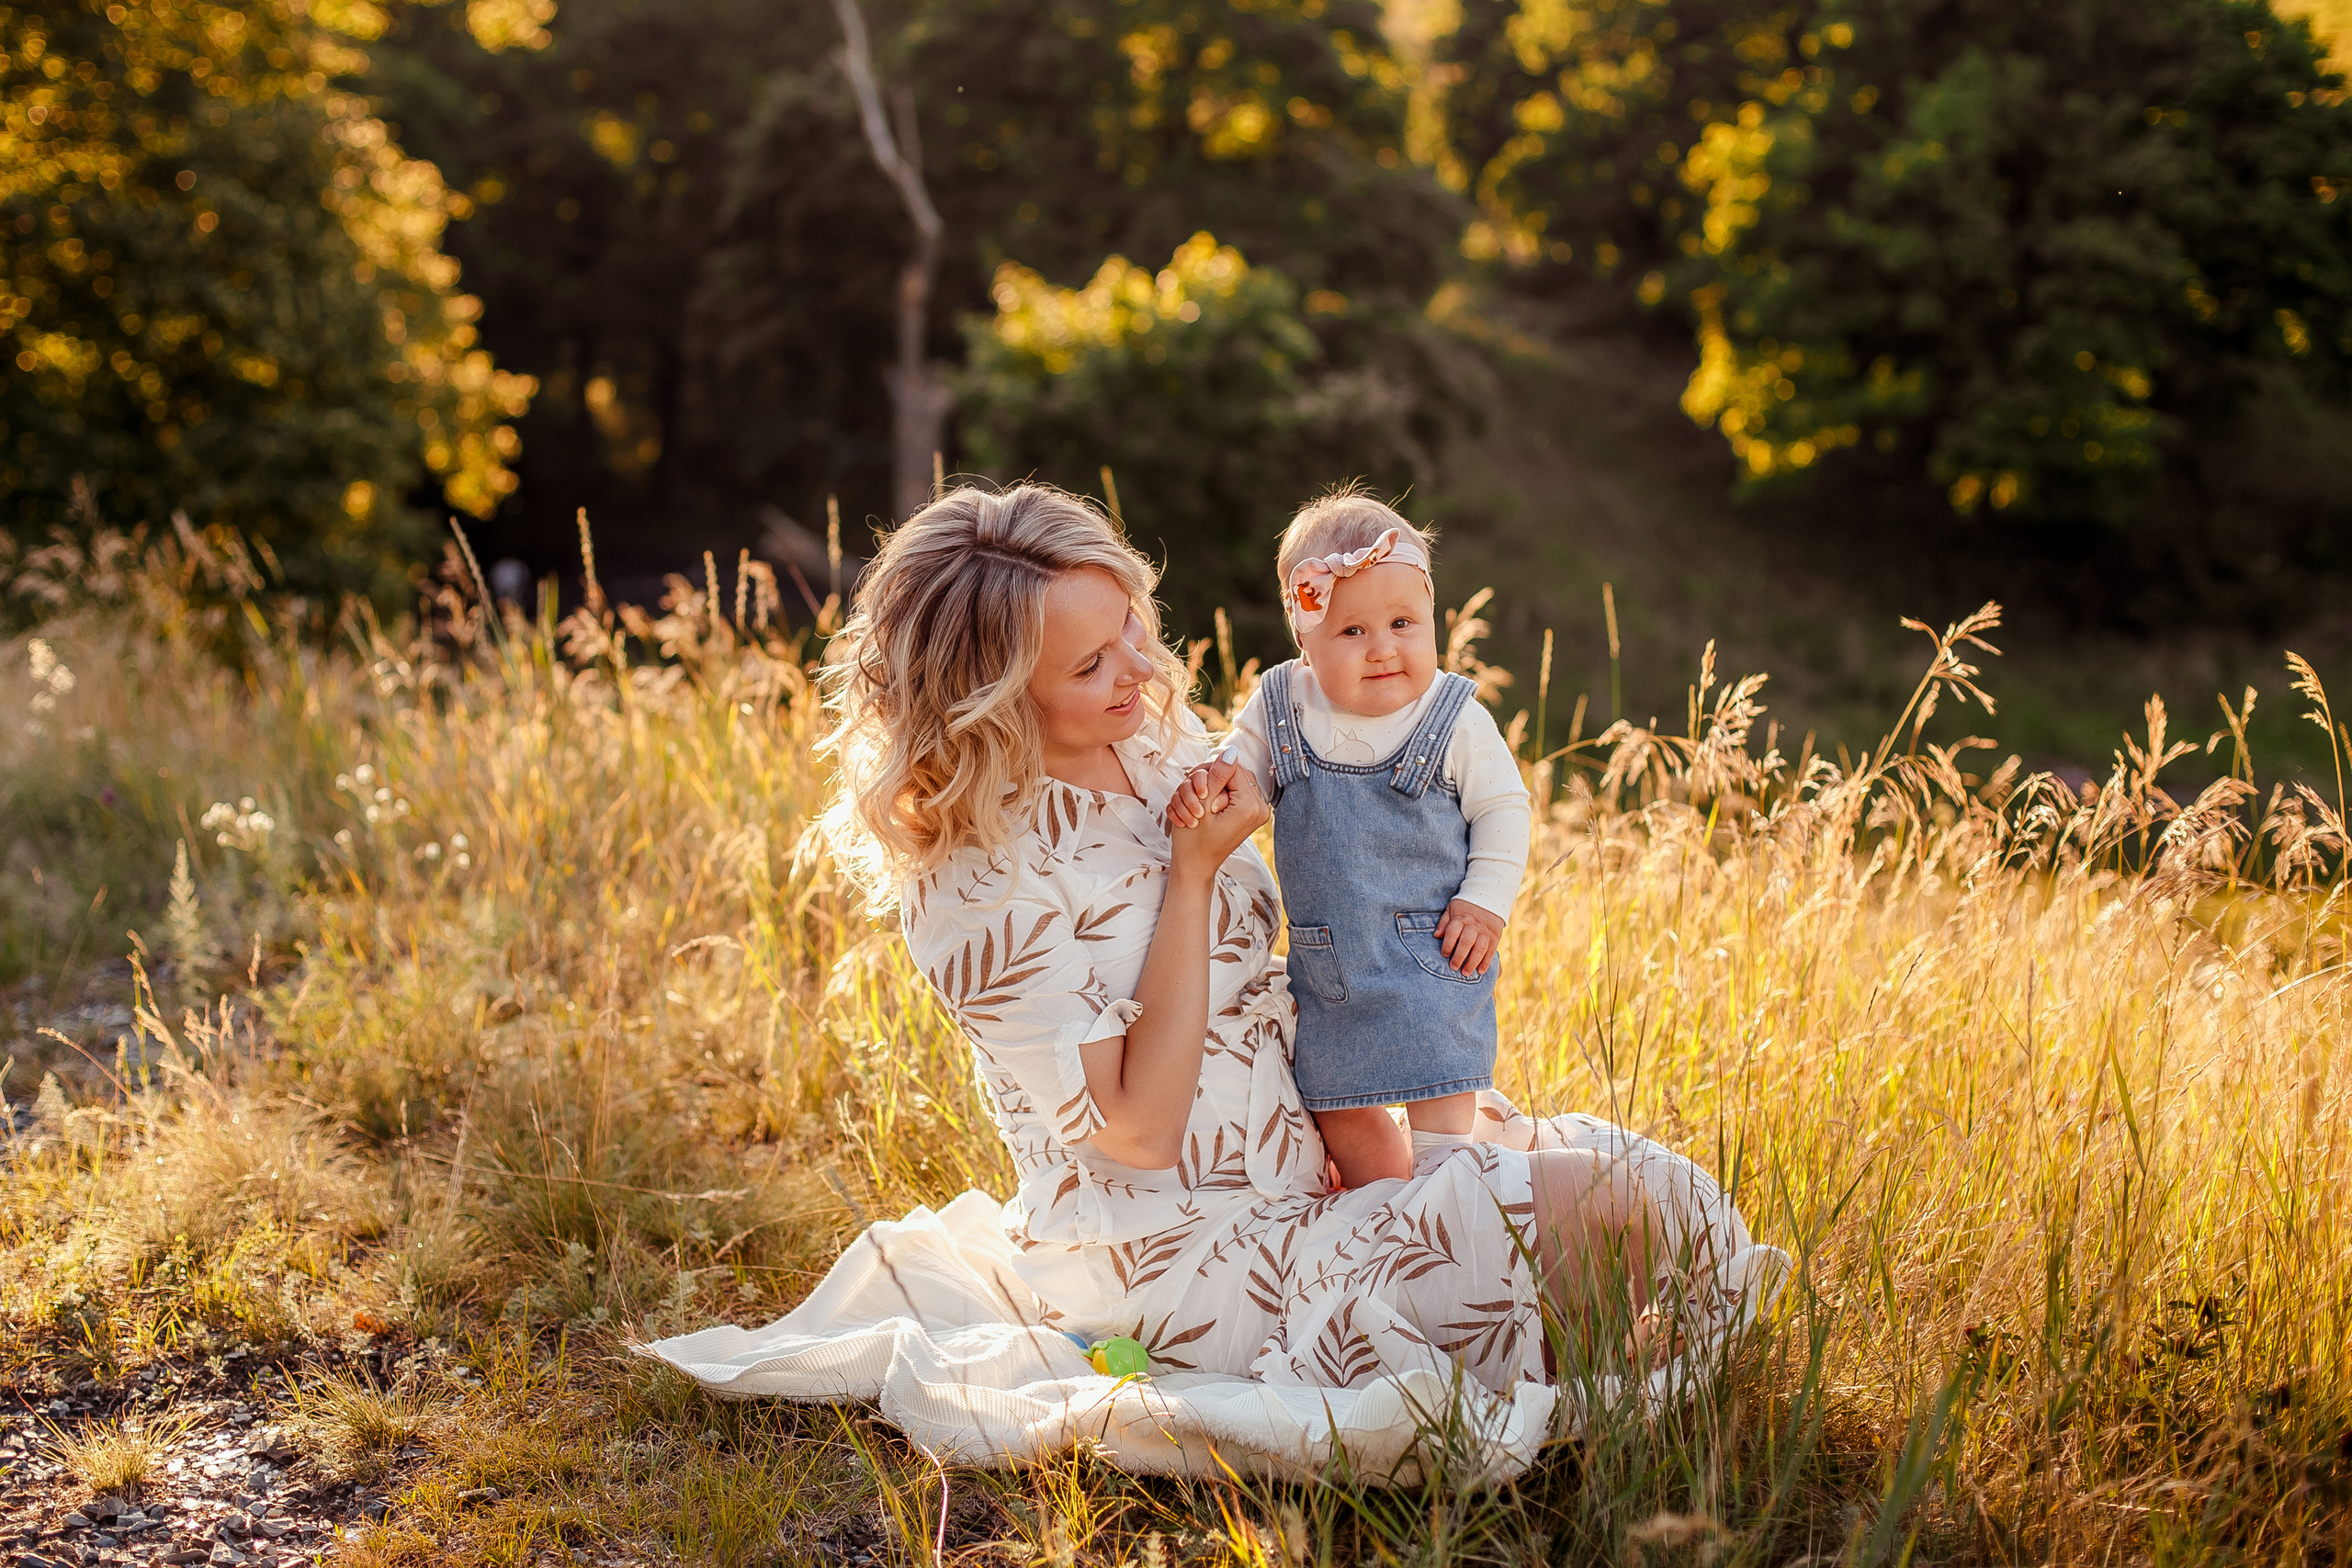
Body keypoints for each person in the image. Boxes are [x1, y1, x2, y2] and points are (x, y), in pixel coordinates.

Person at [820, 481, 1730, 1393]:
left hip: (1318, 1142)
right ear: (993, 698)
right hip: (1188, 1251)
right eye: (1091, 664)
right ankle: (1505, 1352)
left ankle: (1530, 1344)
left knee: (1672, 1203)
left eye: (1129, 626)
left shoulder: (1151, 745)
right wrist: (1191, 874)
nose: (1137, 668)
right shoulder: (974, 880)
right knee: (1617, 1221)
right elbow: (1136, 1133)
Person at [1167, 489, 1528, 1187]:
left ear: (1432, 620)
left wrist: (1485, 901)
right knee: (1340, 1108)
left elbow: (1505, 809)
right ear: (1305, 633)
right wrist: (1211, 785)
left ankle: (1452, 1198)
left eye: (1402, 623)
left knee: (1441, 1101)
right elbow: (1240, 773)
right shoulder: (1281, 706)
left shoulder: (1452, 716)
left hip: (1434, 954)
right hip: (1331, 975)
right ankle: (1385, 1212)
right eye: (1353, 632)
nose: (1384, 648)